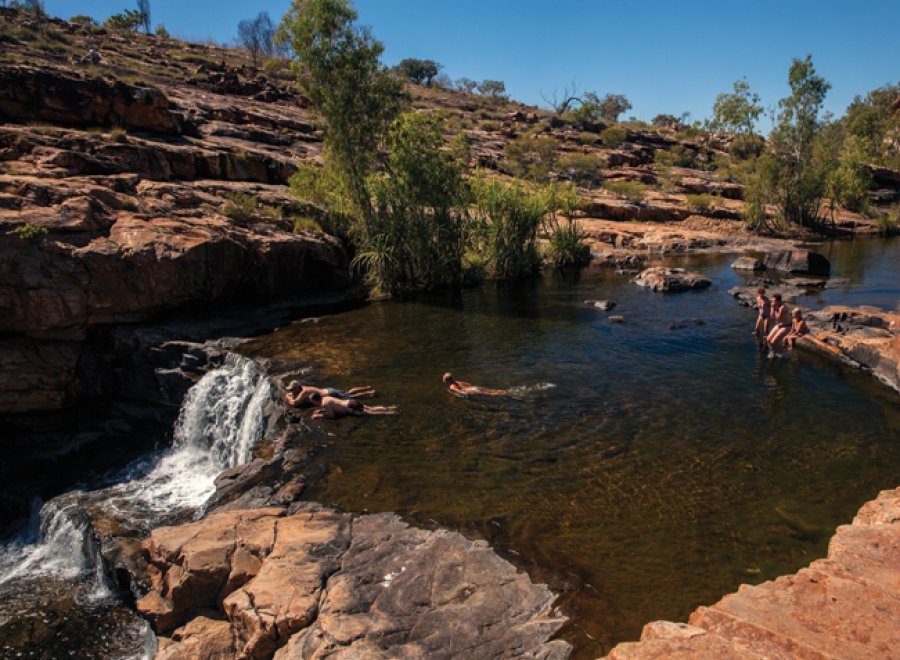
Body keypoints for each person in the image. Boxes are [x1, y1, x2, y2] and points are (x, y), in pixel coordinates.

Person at [308, 391, 397, 419]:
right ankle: (389, 408)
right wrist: (321, 411)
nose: (313, 403)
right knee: (371, 408)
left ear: (315, 400)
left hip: (350, 407)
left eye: (313, 401)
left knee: (369, 413)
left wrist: (319, 415)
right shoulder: (326, 398)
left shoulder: (324, 403)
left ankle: (390, 413)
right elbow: (333, 407)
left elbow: (331, 414)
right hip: (351, 401)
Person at [285, 381, 375, 407]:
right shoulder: (303, 387)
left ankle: (368, 393)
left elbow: (294, 403)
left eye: (292, 389)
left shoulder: (304, 392)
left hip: (331, 394)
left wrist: (288, 397)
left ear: (297, 388)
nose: (291, 391)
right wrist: (291, 395)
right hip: (328, 390)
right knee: (347, 392)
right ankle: (366, 388)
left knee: (350, 397)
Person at [442, 372, 511, 397]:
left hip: (473, 391)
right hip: (475, 387)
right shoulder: (457, 382)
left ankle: (507, 394)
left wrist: (466, 395)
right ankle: (506, 391)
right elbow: (469, 384)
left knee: (490, 394)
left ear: (447, 381)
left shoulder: (451, 387)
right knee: (492, 390)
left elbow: (461, 392)